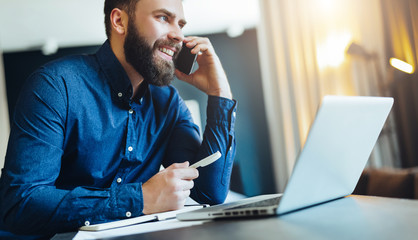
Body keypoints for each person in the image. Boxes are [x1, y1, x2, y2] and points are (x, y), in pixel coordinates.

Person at [0, 0, 236, 238]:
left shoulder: (168, 102)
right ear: (119, 21)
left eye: (181, 24)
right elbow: (20, 204)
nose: (178, 35)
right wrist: (140, 199)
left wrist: (220, 94)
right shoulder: (55, 86)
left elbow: (210, 192)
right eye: (163, 18)